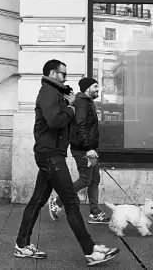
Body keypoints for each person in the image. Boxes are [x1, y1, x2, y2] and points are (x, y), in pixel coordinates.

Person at [14, 60, 119, 266]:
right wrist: (70, 108)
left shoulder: (56, 93)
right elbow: (55, 121)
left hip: (52, 154)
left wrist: (69, 105)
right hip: (50, 155)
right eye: (63, 73)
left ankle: (21, 244)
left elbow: (62, 121)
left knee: (37, 201)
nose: (66, 77)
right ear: (53, 73)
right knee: (71, 202)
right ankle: (91, 251)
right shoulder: (48, 92)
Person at [48, 77, 112, 224]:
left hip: (90, 149)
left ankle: (95, 213)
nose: (98, 89)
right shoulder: (82, 102)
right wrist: (88, 148)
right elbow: (81, 126)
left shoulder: (87, 102)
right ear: (87, 87)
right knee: (85, 179)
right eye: (95, 86)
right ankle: (58, 202)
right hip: (84, 150)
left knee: (94, 180)